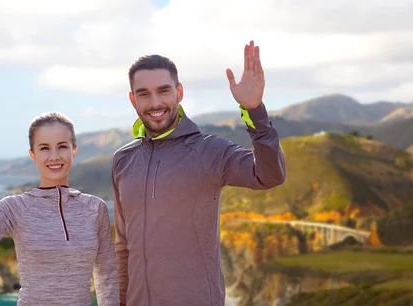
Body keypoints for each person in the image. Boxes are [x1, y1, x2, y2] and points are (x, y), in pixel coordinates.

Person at [111, 40, 286, 305]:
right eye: (144, 93)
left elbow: (270, 175)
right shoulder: (123, 160)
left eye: (163, 91)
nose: (155, 102)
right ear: (132, 98)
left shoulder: (209, 150)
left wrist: (254, 111)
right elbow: (123, 247)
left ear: (179, 92)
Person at [0, 112, 119, 306]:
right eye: (44, 148)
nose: (54, 156)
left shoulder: (95, 208)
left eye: (62, 146)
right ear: (33, 154)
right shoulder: (15, 207)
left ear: (74, 150)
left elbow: (106, 275)